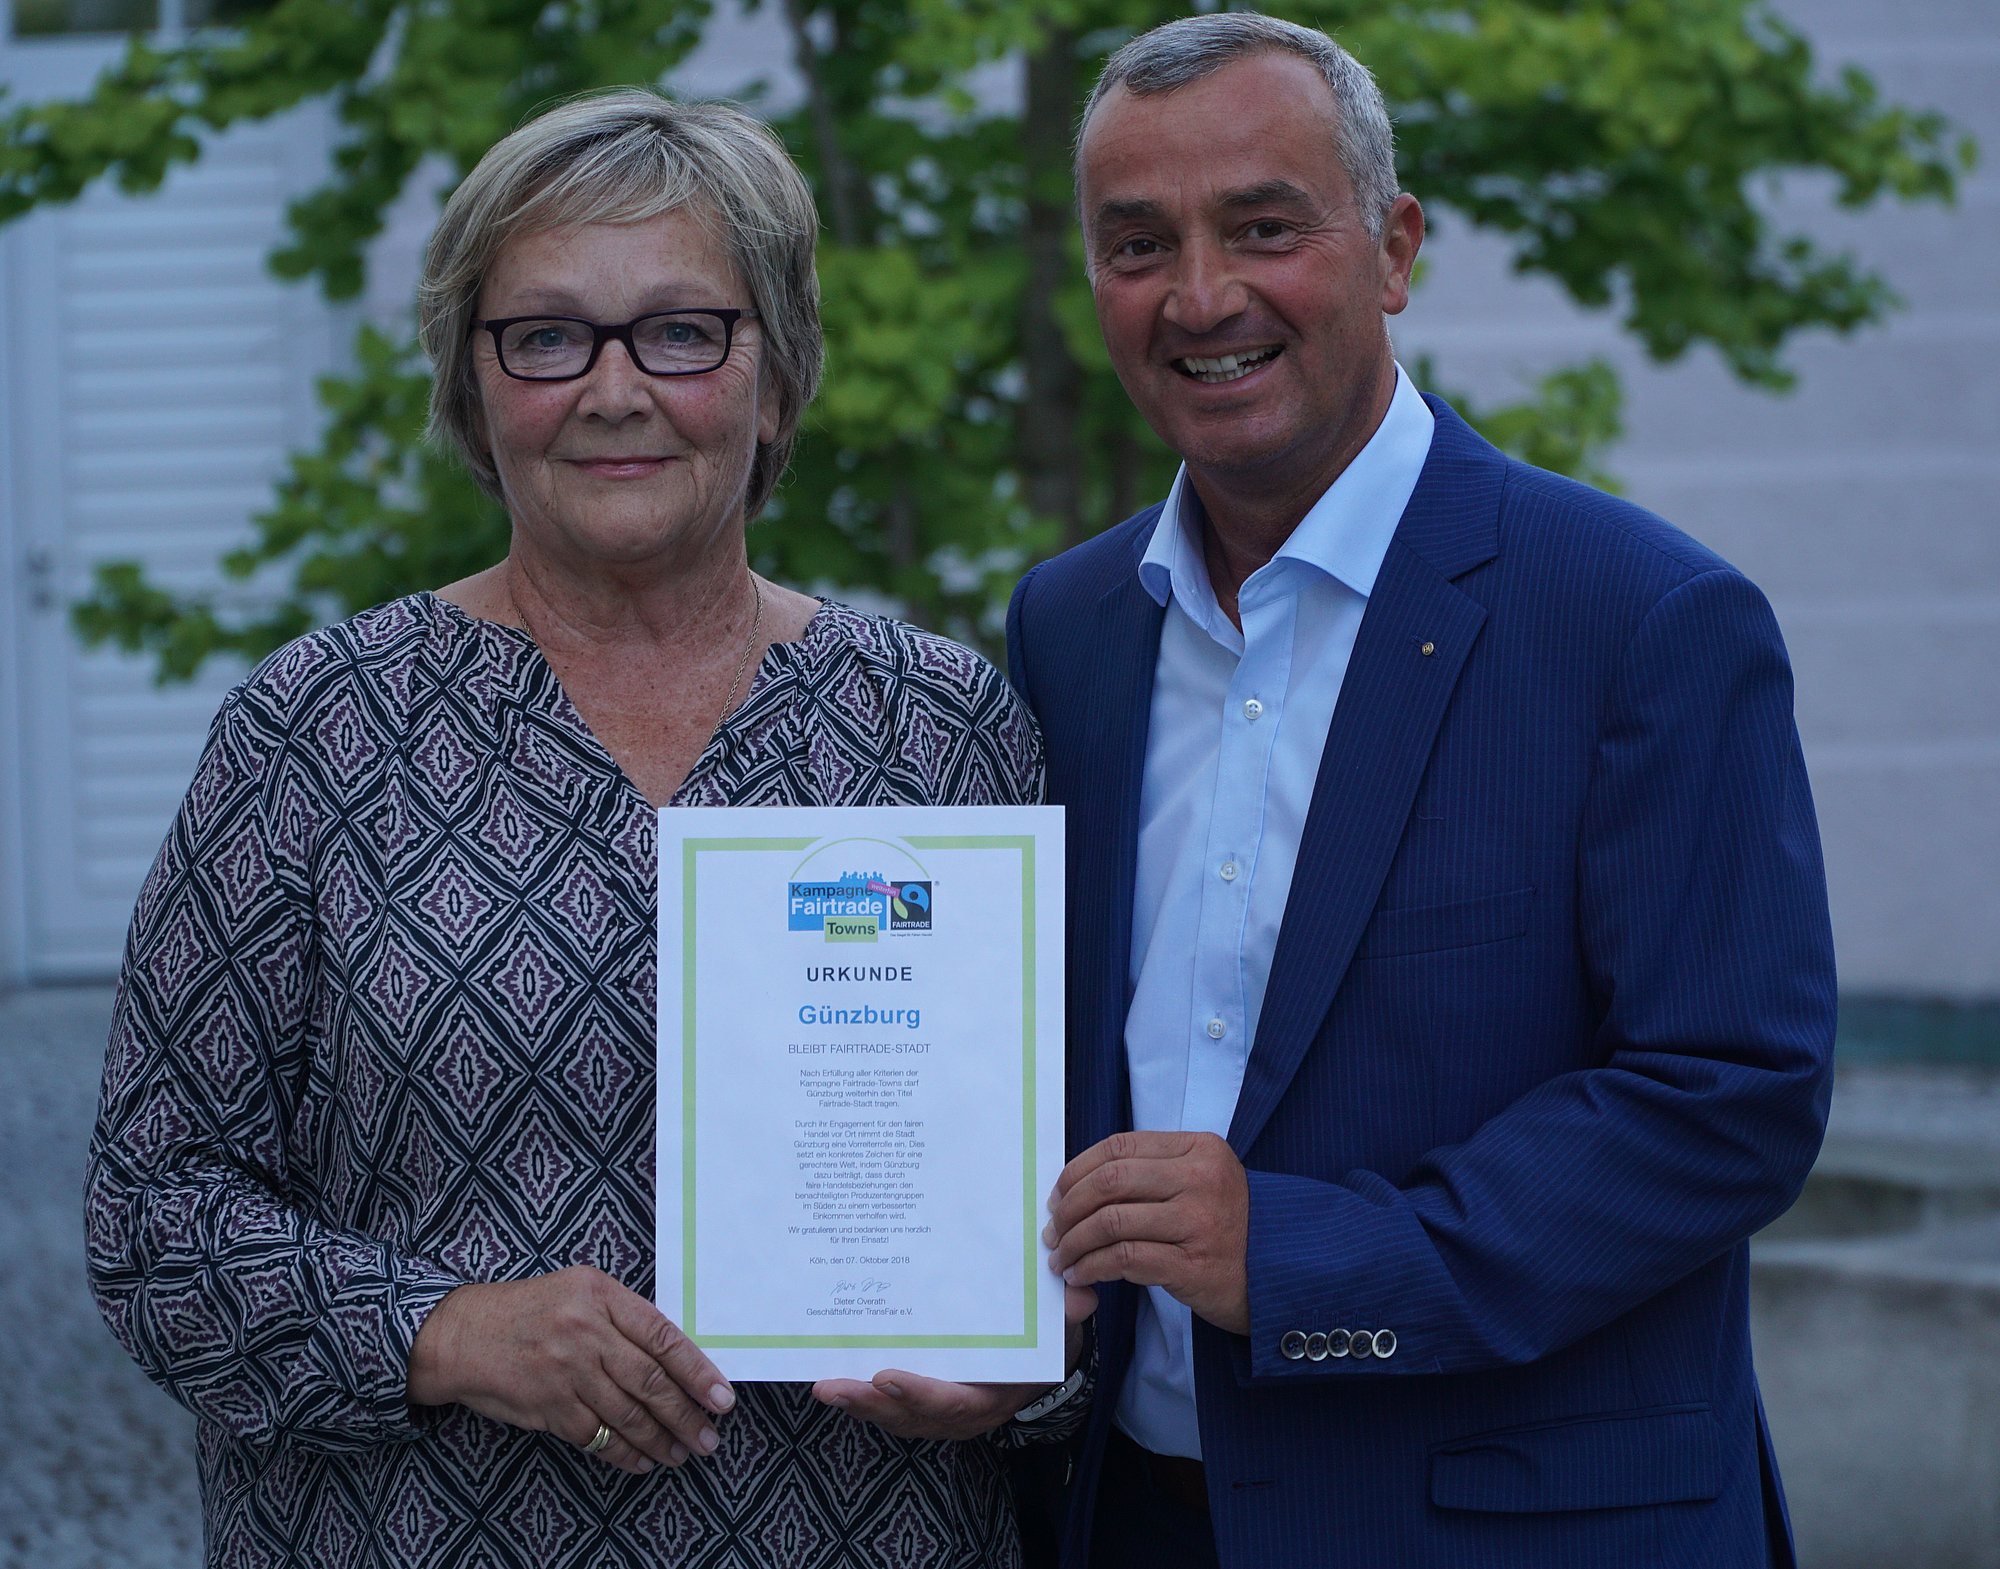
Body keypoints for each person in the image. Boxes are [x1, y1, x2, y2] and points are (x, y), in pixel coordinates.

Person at [87, 89, 1084, 1568]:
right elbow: (150, 1212)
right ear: (472, 381)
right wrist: (446, 1328)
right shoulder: (311, 734)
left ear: (777, 369)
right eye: (547, 336)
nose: (615, 389)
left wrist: (1026, 1362)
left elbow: (1060, 1214)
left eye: (681, 330)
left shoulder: (939, 730)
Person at [1011, 14, 1837, 1569]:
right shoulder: (1068, 624)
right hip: (1126, 1517)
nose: (1201, 296)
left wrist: (1312, 1261)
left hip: (1512, 1527)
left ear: (1393, 249)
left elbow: (1732, 1096)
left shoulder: (1642, 617)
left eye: (1264, 227)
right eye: (1138, 244)